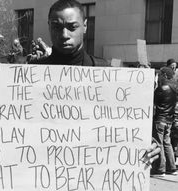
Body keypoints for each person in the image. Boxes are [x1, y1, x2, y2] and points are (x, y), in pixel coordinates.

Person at [29, 0, 160, 163]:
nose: (64, 34)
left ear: (85, 26)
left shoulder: (107, 74)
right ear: (49, 26)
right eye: (57, 27)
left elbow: (133, 129)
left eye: (72, 27)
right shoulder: (29, 76)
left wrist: (150, 145)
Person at [151, 67, 178, 176]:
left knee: (159, 143)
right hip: (169, 120)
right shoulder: (175, 89)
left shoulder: (161, 88)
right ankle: (171, 168)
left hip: (160, 119)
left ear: (165, 75)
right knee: (167, 143)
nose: (160, 76)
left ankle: (160, 168)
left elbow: (153, 100)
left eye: (161, 74)